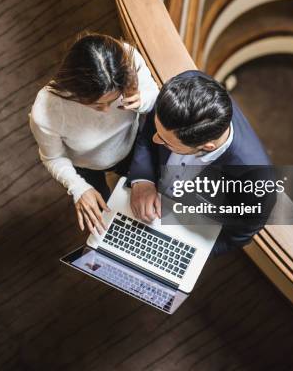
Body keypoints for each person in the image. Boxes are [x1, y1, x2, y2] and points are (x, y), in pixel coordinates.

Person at [129, 70, 275, 256]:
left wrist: (192, 254)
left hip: (189, 232)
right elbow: (149, 133)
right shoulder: (181, 89)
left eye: (167, 143)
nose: (156, 139)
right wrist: (143, 180)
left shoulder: (256, 181)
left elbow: (240, 234)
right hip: (143, 201)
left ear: (206, 147)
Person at [29, 32, 159, 235]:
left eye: (113, 101)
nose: (107, 110)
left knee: (155, 204)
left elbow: (155, 98)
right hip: (86, 165)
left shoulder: (128, 60)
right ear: (75, 91)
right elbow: (53, 157)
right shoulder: (46, 111)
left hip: (131, 143)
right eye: (97, 105)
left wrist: (141, 100)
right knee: (105, 224)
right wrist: (78, 188)